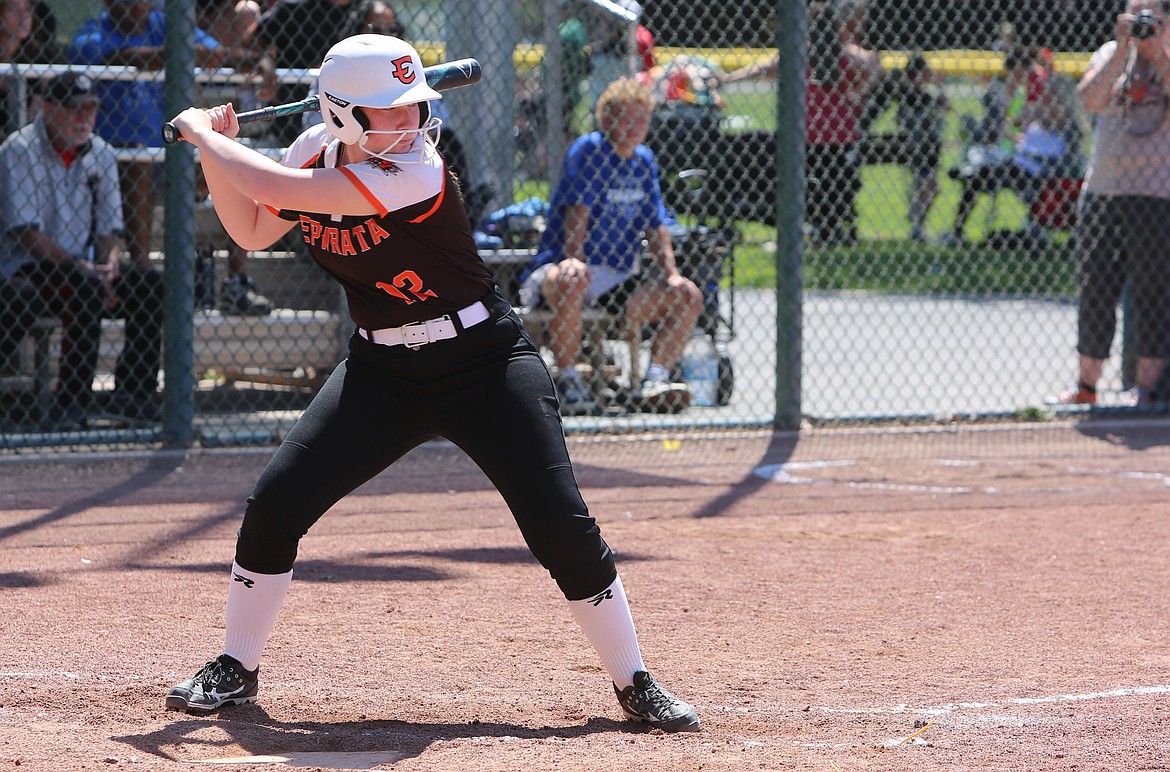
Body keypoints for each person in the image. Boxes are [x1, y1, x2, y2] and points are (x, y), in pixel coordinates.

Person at [162, 34, 700, 732]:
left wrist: (207, 135)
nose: (410, 120)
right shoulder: (311, 150)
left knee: (558, 523)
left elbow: (269, 188)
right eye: (391, 109)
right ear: (342, 115)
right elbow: (253, 229)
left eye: (414, 105)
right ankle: (236, 666)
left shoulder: (417, 170)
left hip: (483, 362)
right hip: (382, 371)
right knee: (275, 505)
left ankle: (635, 679)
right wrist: (213, 151)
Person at [69, 0, 274, 316]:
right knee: (139, 159)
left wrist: (260, 62)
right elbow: (114, 57)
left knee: (235, 163)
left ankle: (237, 282)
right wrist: (177, 53)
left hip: (176, 157)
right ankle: (142, 278)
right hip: (118, 163)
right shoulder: (93, 32)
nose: (137, 3)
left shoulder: (163, 26)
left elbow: (219, 54)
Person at [520, 78, 702, 416]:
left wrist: (672, 275)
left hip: (615, 277)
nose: (635, 128)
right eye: (626, 119)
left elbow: (655, 225)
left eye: (641, 120)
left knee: (688, 295)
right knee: (574, 280)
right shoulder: (589, 150)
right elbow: (578, 212)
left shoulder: (644, 160)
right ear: (607, 120)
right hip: (559, 267)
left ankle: (654, 380)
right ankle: (568, 380)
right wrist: (574, 260)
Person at [0, 73, 164, 429]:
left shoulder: (101, 153)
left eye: (90, 109)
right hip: (28, 266)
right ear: (48, 109)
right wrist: (83, 269)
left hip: (82, 267)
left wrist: (108, 266)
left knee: (149, 285)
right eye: (75, 109)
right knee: (83, 287)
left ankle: (132, 395)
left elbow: (109, 231)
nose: (84, 118)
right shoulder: (18, 149)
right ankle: (70, 405)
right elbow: (27, 235)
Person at [1049, 0, 1170, 406]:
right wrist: (1122, 51)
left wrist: (1158, 52)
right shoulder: (1109, 53)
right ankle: (1086, 386)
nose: (1143, 23)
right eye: (1136, 14)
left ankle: (1147, 390)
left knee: (1153, 292)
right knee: (1095, 289)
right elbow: (1089, 99)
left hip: (1155, 195)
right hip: (1102, 191)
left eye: (1151, 15)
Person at [727, 1, 881, 244]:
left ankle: (815, 227)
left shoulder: (801, 51)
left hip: (806, 134)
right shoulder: (844, 53)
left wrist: (728, 78)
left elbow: (762, 68)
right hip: (839, 134)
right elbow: (875, 68)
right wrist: (858, 93)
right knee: (834, 184)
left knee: (805, 183)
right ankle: (831, 228)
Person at [859, 51, 949, 242]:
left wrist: (937, 84)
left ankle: (917, 223)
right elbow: (894, 116)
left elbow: (947, 106)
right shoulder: (905, 93)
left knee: (929, 188)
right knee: (925, 185)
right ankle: (916, 225)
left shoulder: (928, 94)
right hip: (915, 148)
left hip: (930, 148)